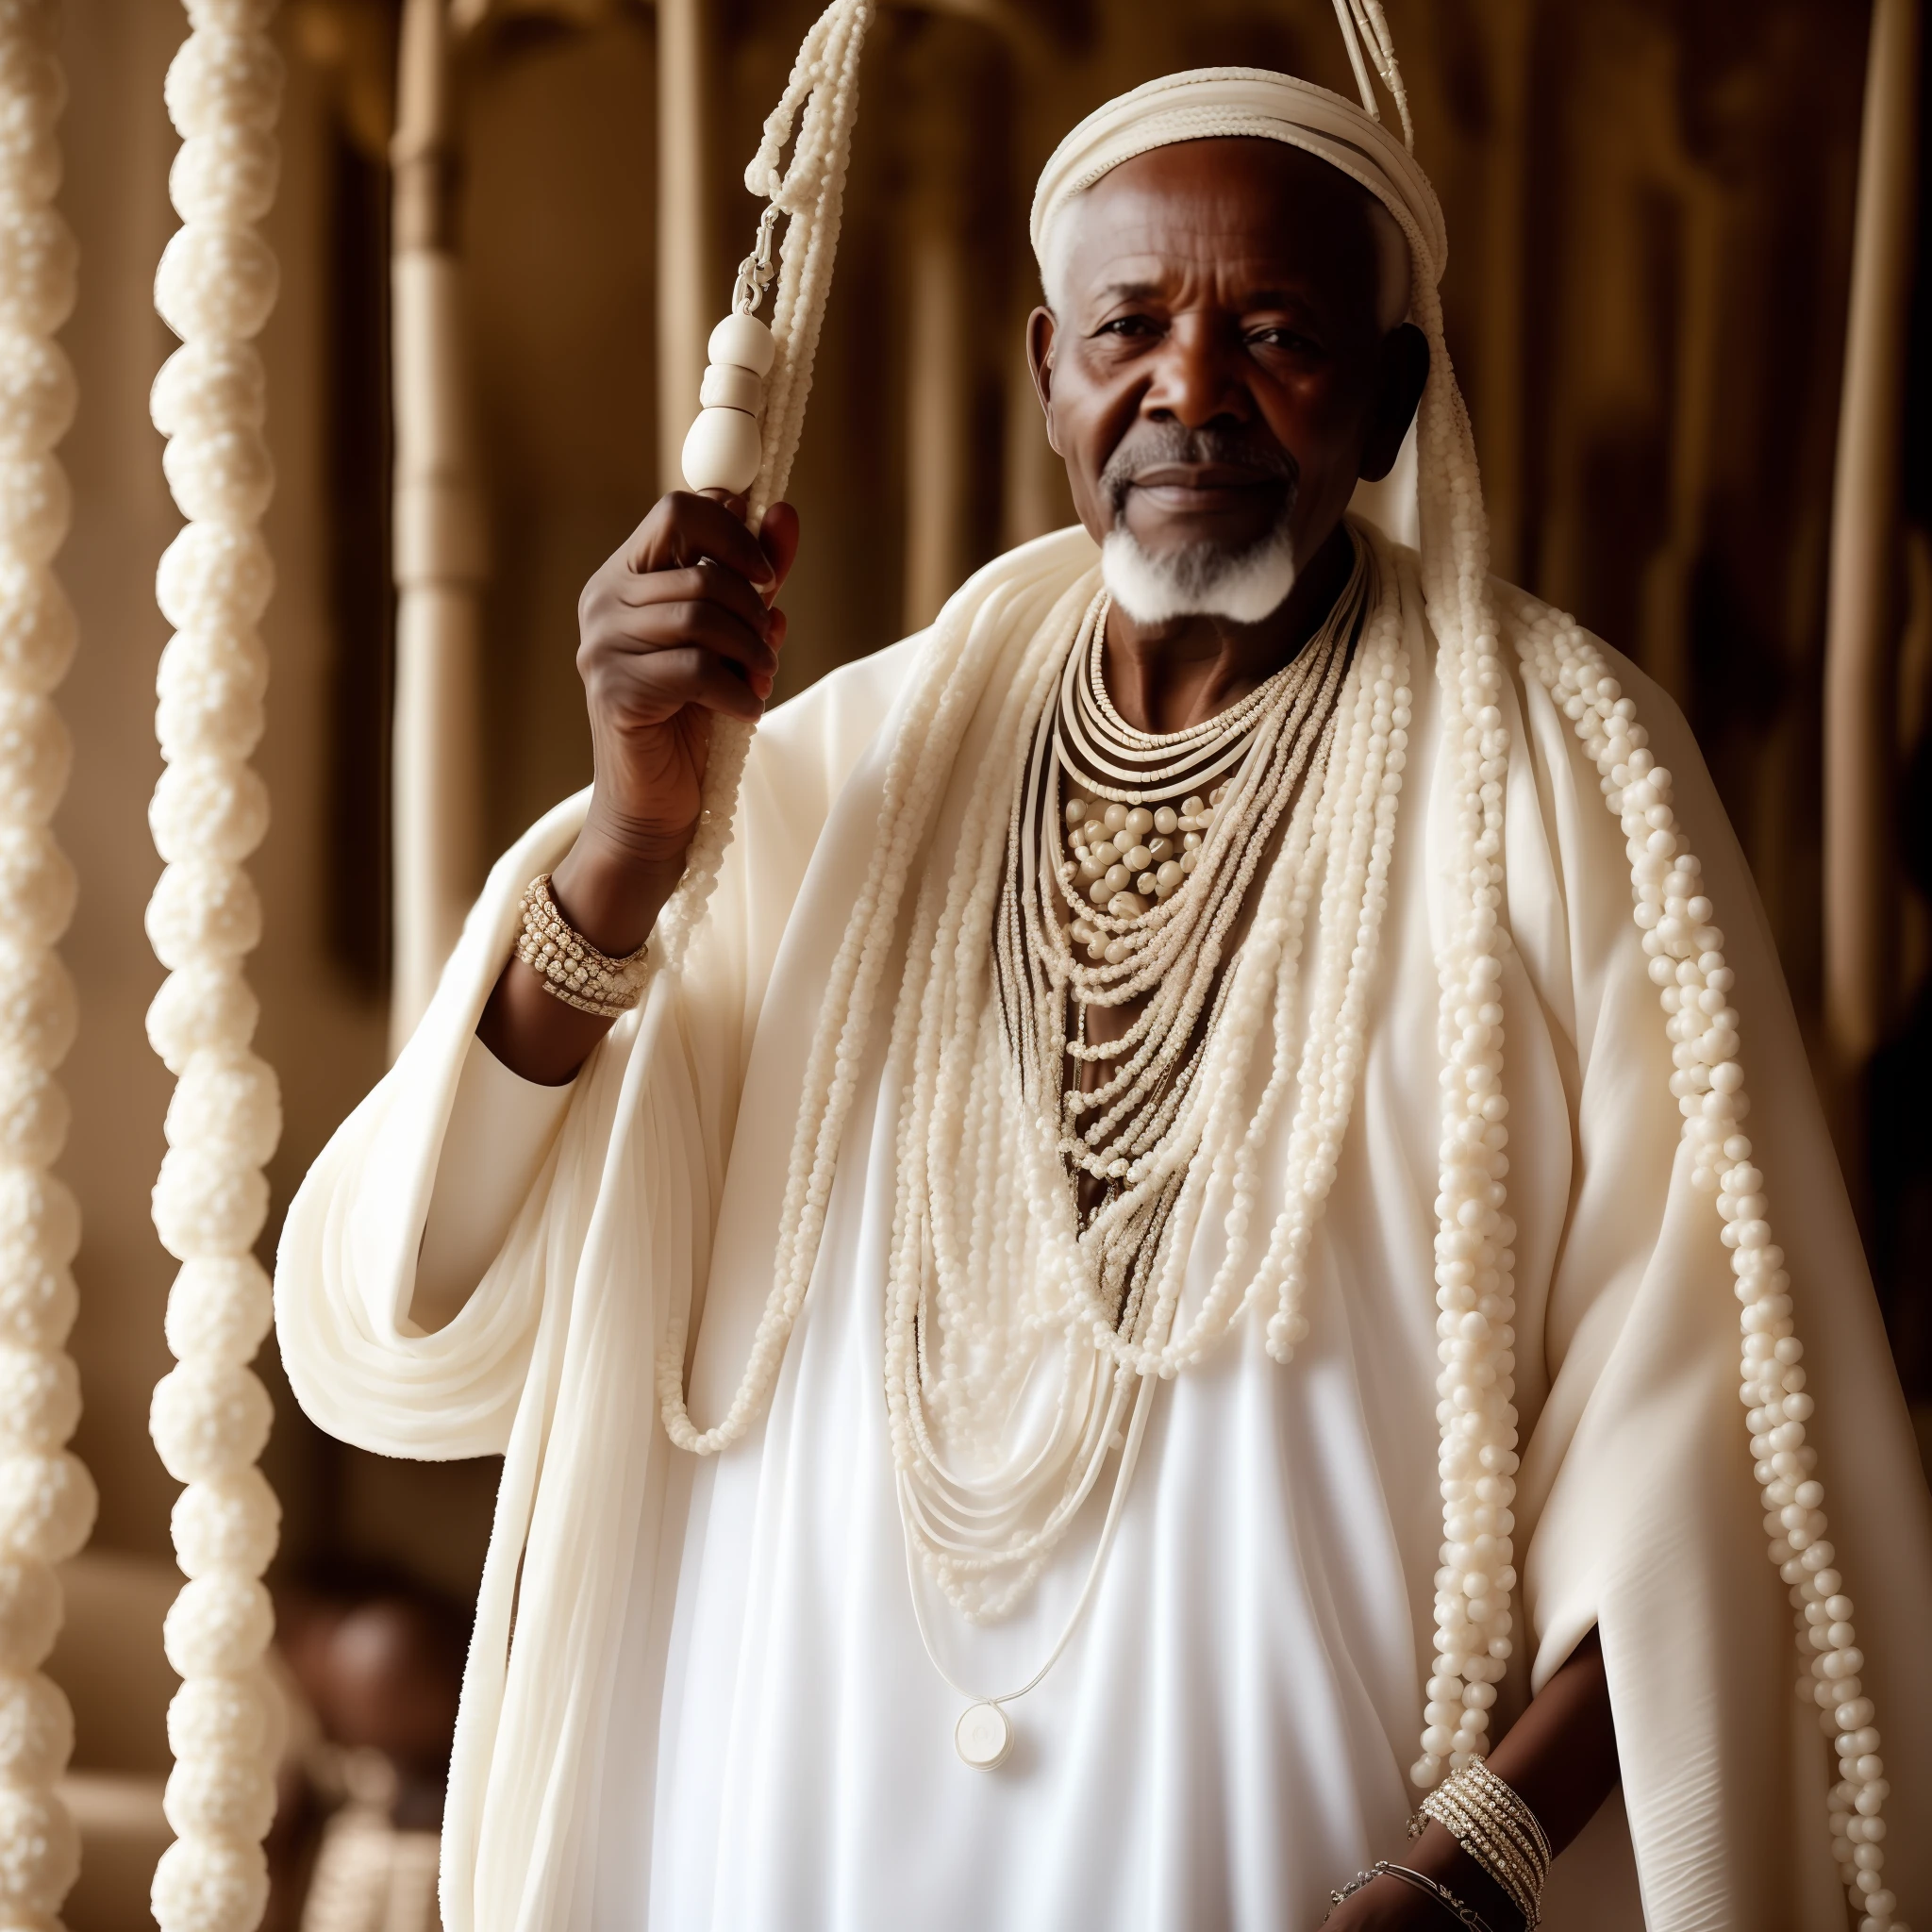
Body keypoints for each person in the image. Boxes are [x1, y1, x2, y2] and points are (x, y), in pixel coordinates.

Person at [276, 61, 1932, 1932]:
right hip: (799, 1800)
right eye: (1132, 325)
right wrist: (636, 839)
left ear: (1388, 400)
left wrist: (1483, 1861)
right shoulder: (835, 767)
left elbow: (1716, 1437)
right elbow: (411, 1310)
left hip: (1279, 1829)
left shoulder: (1557, 775)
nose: (1191, 388)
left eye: (1279, 331)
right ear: (1050, 368)